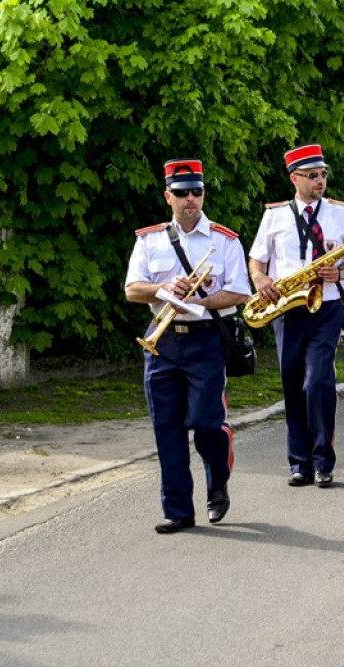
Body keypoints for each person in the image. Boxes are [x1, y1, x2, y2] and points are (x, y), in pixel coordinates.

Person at [125, 158, 251, 533]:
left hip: (205, 339)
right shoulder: (149, 240)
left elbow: (239, 292)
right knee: (167, 428)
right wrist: (163, 289)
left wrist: (200, 300)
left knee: (206, 423)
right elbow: (132, 289)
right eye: (182, 193)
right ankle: (178, 509)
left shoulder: (224, 240)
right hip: (162, 340)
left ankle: (218, 482)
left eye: (196, 191)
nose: (190, 199)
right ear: (169, 197)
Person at [248, 143, 344, 488]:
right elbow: (257, 260)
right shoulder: (275, 215)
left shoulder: (340, 213)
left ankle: (323, 461)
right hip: (287, 308)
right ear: (294, 179)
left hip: (326, 306)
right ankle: (299, 463)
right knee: (292, 383)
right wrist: (261, 280)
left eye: (322, 174)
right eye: (312, 175)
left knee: (318, 382)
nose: (320, 180)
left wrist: (339, 272)